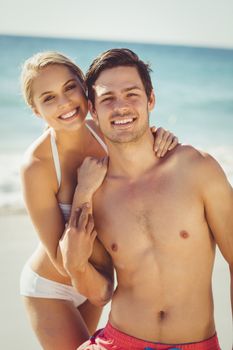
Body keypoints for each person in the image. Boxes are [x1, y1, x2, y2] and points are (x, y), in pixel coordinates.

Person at [61, 49, 233, 349]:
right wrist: (75, 265)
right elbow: (100, 293)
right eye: (107, 98)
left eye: (132, 94)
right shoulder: (94, 190)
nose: (121, 107)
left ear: (150, 99)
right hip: (118, 340)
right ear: (92, 109)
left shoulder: (197, 169)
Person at [19, 51, 178, 350]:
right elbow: (63, 261)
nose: (65, 103)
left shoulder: (107, 132)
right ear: (37, 111)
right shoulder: (37, 166)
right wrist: (83, 191)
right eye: (49, 98)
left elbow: (140, 138)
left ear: (85, 88)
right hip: (52, 287)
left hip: (99, 279)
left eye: (69, 88)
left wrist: (162, 137)